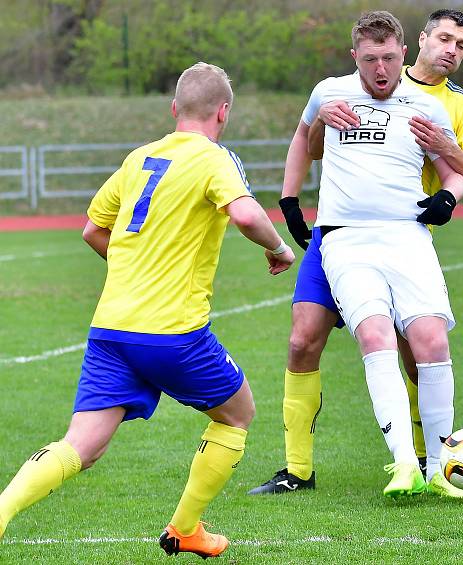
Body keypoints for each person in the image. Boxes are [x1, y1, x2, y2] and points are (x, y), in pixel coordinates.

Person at [0, 62, 295, 558]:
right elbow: (245, 213)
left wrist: (137, 271)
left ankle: (1, 512)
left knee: (82, 445)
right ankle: (184, 528)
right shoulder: (212, 157)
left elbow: (94, 230)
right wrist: (279, 248)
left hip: (111, 328)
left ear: (174, 108)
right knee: (237, 413)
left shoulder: (139, 158)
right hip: (174, 332)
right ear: (224, 112)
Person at [249, 9, 463, 496]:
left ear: (402, 53)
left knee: (429, 343)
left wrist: (449, 195)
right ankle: (390, 465)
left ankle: (439, 469)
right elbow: (306, 141)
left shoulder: (435, 106)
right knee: (355, 337)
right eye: (370, 59)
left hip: (408, 237)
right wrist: (289, 200)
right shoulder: (330, 93)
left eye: (387, 58)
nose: (380, 69)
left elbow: (461, 170)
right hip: (343, 238)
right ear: (355, 57)